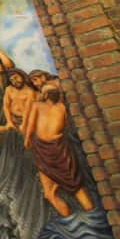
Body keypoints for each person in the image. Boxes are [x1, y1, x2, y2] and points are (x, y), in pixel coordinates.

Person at [24, 85, 94, 217]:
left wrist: (27, 140)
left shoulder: (37, 105)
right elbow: (65, 126)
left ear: (45, 95)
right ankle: (87, 213)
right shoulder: (61, 107)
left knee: (51, 193)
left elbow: (31, 126)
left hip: (52, 148)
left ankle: (72, 219)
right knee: (74, 188)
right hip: (55, 147)